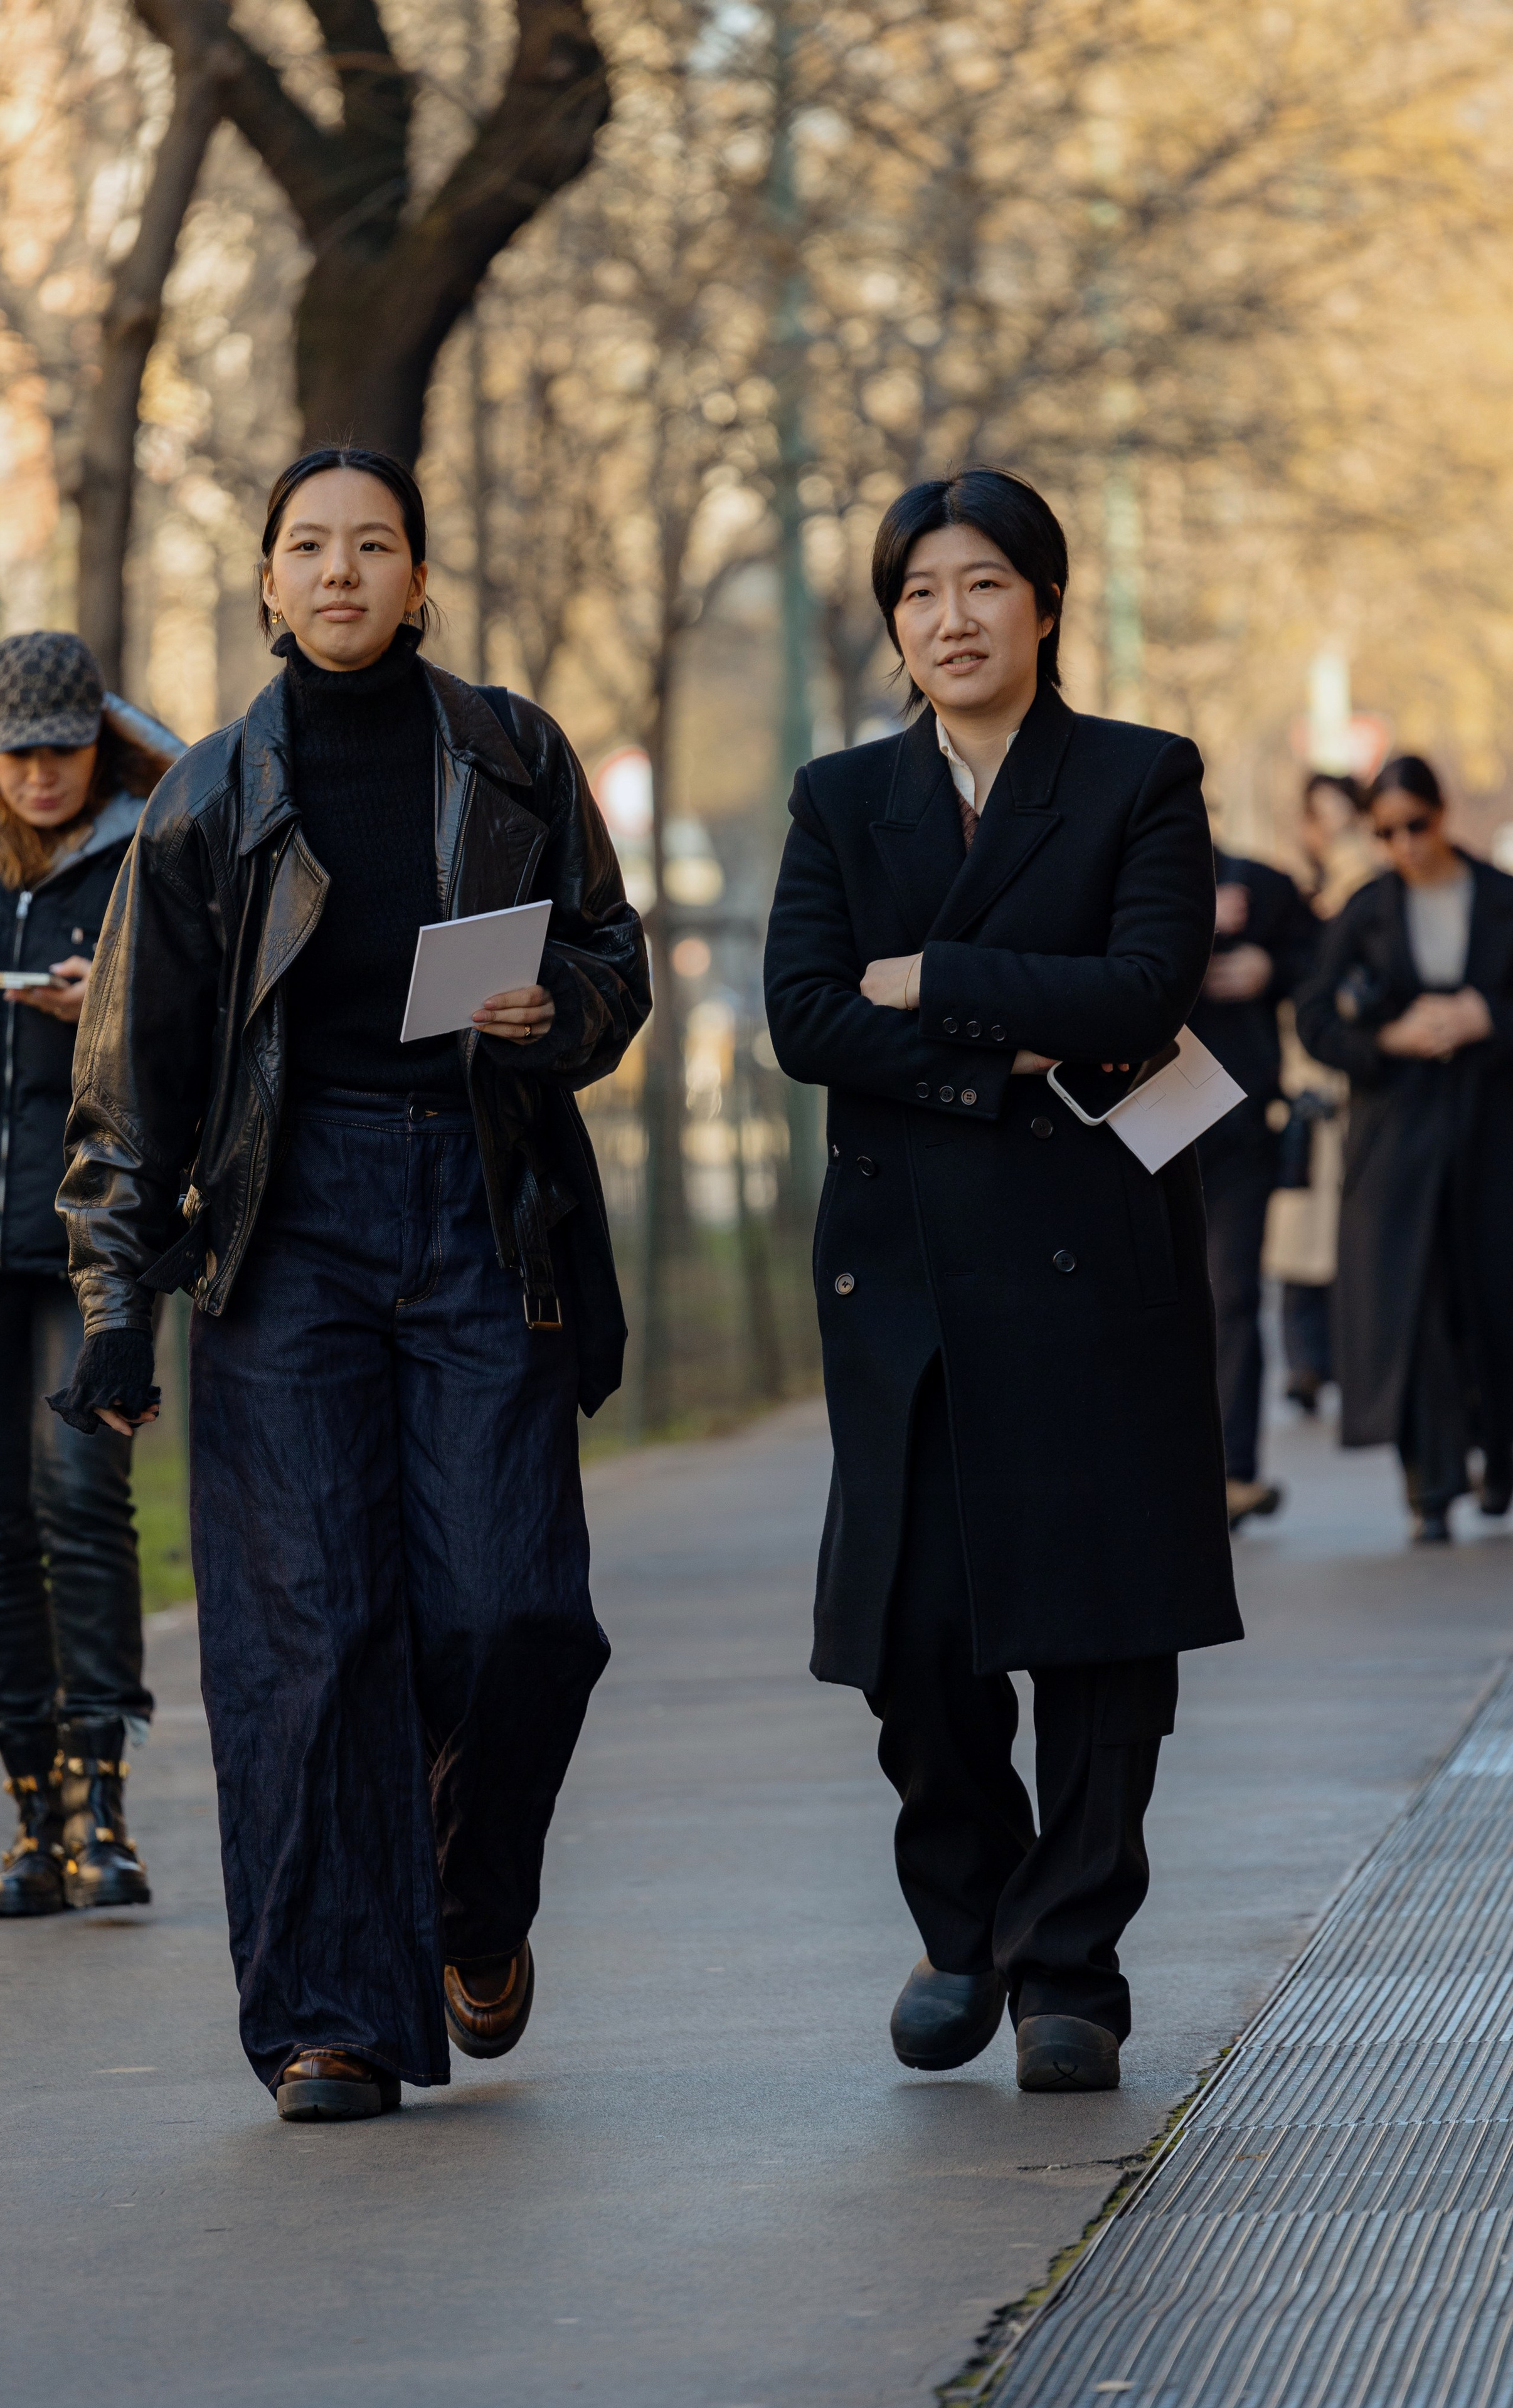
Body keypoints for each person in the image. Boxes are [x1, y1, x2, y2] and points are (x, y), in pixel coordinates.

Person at [51, 445, 649, 2121]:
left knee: (514, 1610)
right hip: (281, 1229)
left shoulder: (513, 751)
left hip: (482, 1206)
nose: (339, 571)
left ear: (419, 574)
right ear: (264, 582)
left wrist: (565, 1014)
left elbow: (614, 950)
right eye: (307, 546)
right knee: (309, 1638)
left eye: (371, 544)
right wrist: (114, 1308)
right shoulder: (207, 797)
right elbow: (130, 1080)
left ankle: (474, 1900)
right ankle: (335, 2016)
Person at [764, 468, 1241, 2095]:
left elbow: (1145, 989)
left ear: (1043, 600)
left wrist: (941, 978)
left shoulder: (1137, 780)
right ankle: (963, 1919)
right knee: (921, 1639)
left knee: (1104, 1634)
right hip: (902, 1272)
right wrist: (1003, 1049)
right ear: (895, 620)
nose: (952, 619)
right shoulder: (841, 800)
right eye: (920, 592)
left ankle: (1074, 1966)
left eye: (983, 585)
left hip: (1092, 1259)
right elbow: (807, 1019)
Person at [0, 632, 179, 1916]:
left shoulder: (149, 867)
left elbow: (206, 1043)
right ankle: (32, 1818)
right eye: (16, 751)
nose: (39, 774)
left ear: (97, 743)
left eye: (63, 748)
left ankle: (103, 1810)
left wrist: (109, 1014)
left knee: (83, 1498)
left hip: (92, 1247)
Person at [1298, 754, 1513, 1543]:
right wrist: (1388, 1036)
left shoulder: (1498, 898)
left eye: (1415, 825)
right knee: (1411, 1305)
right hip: (1397, 1136)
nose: (1404, 844)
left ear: (1442, 814)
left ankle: (1500, 1461)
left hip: (1491, 1133)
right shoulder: (1366, 909)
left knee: (1490, 1300)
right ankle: (1432, 1485)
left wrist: (1485, 1018)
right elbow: (1317, 1016)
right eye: (1385, 831)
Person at [1189, 840, 1319, 1526]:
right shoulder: (1102, 876)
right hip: (1129, 1122)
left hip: (1237, 1123)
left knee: (1232, 1294)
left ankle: (1232, 1471)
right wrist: (1191, 923)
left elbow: (1321, 962)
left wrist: (1267, 968)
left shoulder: (1261, 885)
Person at [1273, 773, 1381, 1412]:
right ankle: (1307, 1365)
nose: (1326, 831)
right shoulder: (1294, 898)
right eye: (1319, 817)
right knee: (1296, 1229)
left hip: (1346, 1084)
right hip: (1298, 1088)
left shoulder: (1361, 892)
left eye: (1339, 818)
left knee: (1342, 1234)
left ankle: (1335, 1363)